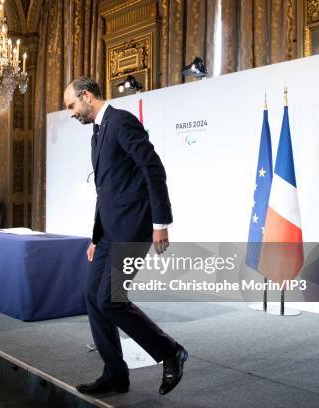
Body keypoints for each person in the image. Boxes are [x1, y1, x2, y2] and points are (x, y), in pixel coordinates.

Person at [63, 77, 187, 396]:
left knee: (111, 300)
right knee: (93, 297)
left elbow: (152, 168)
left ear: (87, 96)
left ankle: (170, 351)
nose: (71, 113)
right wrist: (95, 237)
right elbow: (104, 191)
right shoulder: (96, 134)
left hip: (133, 227)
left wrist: (161, 222)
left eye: (72, 105)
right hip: (108, 232)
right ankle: (116, 374)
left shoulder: (121, 121)